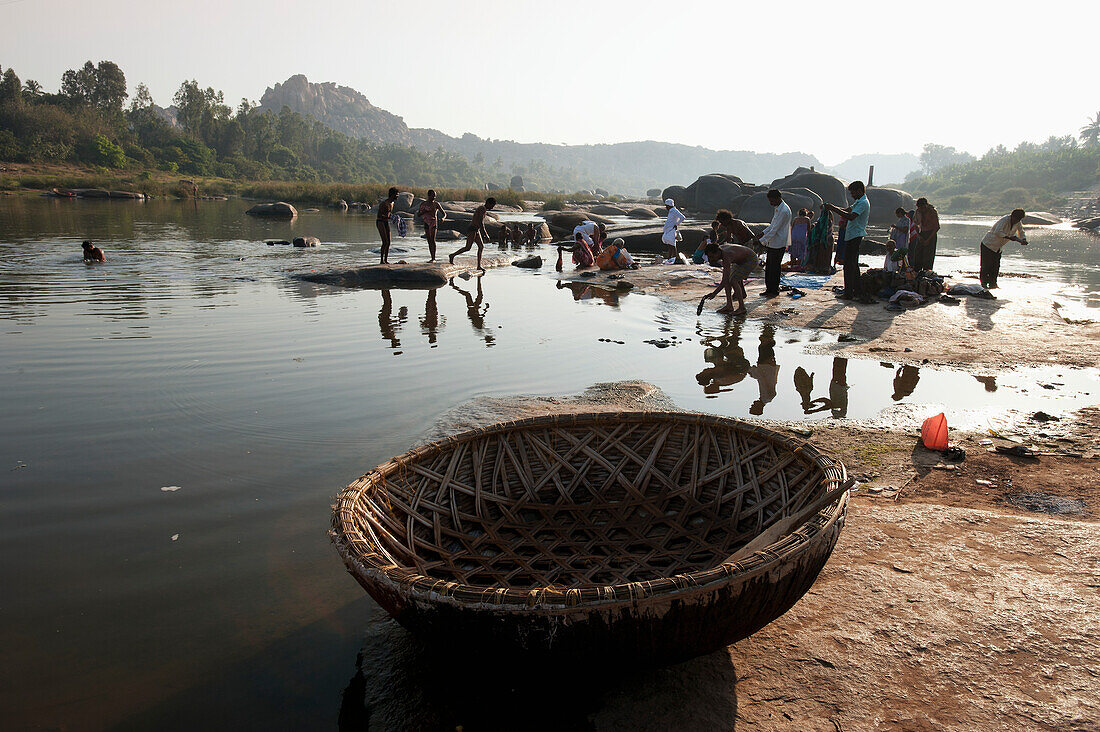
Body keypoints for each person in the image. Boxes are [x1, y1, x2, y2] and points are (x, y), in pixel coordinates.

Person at [824, 181, 870, 300]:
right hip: (852, 235)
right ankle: (856, 290)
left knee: (849, 265)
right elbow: (847, 210)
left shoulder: (863, 203)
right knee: (853, 264)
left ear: (859, 190)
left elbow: (850, 216)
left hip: (855, 235)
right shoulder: (859, 202)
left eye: (853, 192)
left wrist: (833, 208)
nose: (852, 195)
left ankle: (849, 293)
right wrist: (832, 207)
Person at [700, 242, 757, 315]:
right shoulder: (719, 250)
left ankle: (742, 308)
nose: (711, 259)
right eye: (709, 257)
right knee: (729, 280)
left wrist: (714, 293)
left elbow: (724, 280)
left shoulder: (727, 256)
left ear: (717, 253)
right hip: (739, 261)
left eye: (712, 256)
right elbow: (725, 280)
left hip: (750, 260)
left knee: (733, 280)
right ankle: (729, 306)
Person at [979, 208, 1028, 289]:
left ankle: (993, 284)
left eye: (1019, 219)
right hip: (988, 244)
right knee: (986, 266)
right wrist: (1008, 237)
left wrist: (1023, 239)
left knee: (996, 266)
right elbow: (998, 232)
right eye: (1016, 219)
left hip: (998, 246)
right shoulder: (1004, 220)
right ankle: (983, 284)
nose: (1017, 221)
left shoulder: (1018, 222)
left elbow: (1021, 232)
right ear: (1012, 216)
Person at [758, 189, 792, 297]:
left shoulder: (784, 211)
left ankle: (774, 290)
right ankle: (769, 289)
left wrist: (762, 241)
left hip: (779, 242)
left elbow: (775, 229)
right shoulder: (778, 208)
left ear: (777, 198)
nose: (770, 203)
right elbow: (772, 225)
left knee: (775, 268)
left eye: (771, 200)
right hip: (773, 242)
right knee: (769, 267)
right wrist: (762, 233)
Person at [449, 196, 496, 271]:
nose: (492, 208)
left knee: (481, 247)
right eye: (492, 205)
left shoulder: (484, 209)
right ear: (488, 203)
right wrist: (485, 234)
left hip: (476, 230)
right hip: (472, 229)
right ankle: (452, 255)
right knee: (468, 248)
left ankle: (479, 266)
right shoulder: (482, 209)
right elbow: (481, 222)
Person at [416, 189, 446, 262]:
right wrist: (424, 211)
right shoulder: (423, 204)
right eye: (433, 196)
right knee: (429, 241)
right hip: (426, 222)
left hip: (433, 223)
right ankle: (431, 257)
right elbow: (418, 214)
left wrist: (443, 218)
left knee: (433, 240)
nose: (434, 197)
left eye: (435, 196)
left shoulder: (436, 204)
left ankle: (433, 258)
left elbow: (444, 213)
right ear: (429, 196)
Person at [915, 197, 941, 272]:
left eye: (922, 207)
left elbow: (936, 227)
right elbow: (915, 225)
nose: (921, 209)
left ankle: (927, 272)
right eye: (919, 207)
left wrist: (928, 240)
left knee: (928, 256)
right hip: (922, 233)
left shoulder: (932, 212)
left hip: (931, 234)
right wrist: (919, 236)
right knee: (918, 255)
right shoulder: (918, 211)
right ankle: (917, 272)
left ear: (926, 205)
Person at [376, 187, 399, 264]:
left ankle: (386, 260)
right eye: (396, 194)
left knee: (388, 242)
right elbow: (379, 215)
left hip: (386, 221)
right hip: (380, 221)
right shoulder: (384, 204)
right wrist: (388, 217)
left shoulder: (392, 203)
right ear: (392, 195)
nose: (398, 196)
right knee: (385, 242)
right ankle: (381, 260)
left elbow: (388, 214)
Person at [886, 207, 910, 272]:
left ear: (900, 213)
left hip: (902, 238)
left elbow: (905, 230)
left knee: (901, 252)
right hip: (898, 238)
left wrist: (895, 227)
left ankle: (903, 267)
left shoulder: (906, 220)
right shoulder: (900, 220)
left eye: (897, 214)